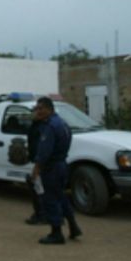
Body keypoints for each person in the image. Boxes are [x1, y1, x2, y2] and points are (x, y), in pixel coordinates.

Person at [31, 97, 82, 244]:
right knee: (61, 197)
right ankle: (73, 226)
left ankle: (56, 233)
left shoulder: (50, 126)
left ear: (49, 109)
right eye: (37, 109)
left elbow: (44, 151)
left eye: (41, 108)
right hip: (61, 164)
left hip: (51, 167)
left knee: (50, 199)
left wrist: (36, 169)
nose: (38, 111)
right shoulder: (62, 123)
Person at [25, 112, 47, 225]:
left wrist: (38, 165)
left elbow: (42, 147)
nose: (34, 113)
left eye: (37, 110)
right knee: (37, 187)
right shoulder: (36, 125)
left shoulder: (44, 127)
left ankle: (41, 215)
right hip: (36, 161)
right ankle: (39, 213)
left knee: (39, 189)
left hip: (40, 163)